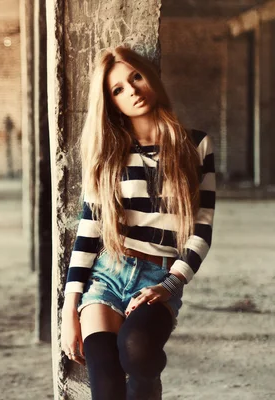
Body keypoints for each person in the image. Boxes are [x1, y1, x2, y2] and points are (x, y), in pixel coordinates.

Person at [60, 45, 216, 400]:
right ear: (112, 102)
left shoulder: (196, 145)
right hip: (107, 275)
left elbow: (202, 227)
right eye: (117, 89)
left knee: (139, 349)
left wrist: (172, 283)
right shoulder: (109, 153)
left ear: (150, 78)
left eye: (135, 77)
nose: (131, 90)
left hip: (159, 275)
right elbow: (88, 234)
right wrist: (70, 308)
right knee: (106, 382)